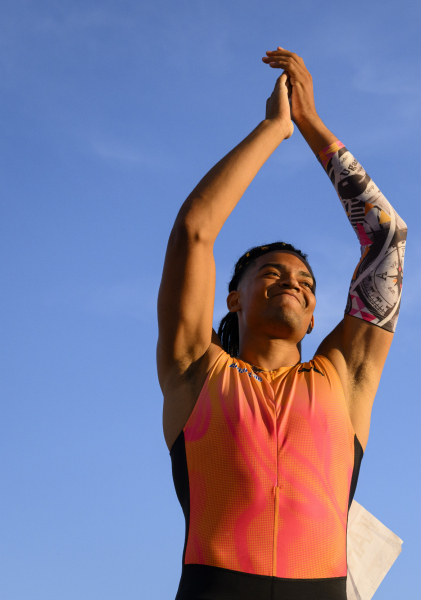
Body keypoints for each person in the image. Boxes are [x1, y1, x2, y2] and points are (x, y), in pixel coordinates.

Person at [156, 48, 407, 600]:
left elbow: (387, 243)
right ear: (233, 299)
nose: (293, 282)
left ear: (316, 317)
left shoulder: (344, 379)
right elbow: (194, 230)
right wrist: (275, 130)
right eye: (271, 273)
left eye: (307, 283)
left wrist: (315, 126)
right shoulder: (195, 372)